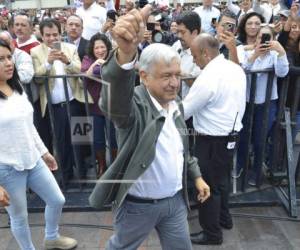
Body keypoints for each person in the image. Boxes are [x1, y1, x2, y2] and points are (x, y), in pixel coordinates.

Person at [89, 5, 210, 250]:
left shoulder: (176, 103)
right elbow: (113, 104)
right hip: (138, 207)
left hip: (175, 204)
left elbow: (181, 150)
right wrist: (124, 55)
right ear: (143, 76)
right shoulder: (133, 105)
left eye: (177, 74)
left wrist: (196, 177)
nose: (175, 83)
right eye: (166, 76)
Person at [0, 39, 77, 250]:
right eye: (1, 59)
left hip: (33, 160)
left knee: (57, 199)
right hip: (6, 169)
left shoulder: (17, 88)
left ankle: (51, 237)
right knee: (19, 216)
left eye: (9, 57)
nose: (8, 63)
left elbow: (28, 126)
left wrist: (44, 152)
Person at [184, 33, 247, 245]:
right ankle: (224, 219)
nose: (193, 60)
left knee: (207, 186)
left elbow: (185, 110)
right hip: (231, 136)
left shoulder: (208, 77)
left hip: (211, 140)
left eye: (194, 55)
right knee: (221, 182)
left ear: (205, 53)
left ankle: (212, 234)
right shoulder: (235, 68)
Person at [31, 18, 92, 184]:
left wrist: (68, 61)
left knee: (80, 139)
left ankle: (82, 173)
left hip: (75, 102)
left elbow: (80, 70)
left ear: (61, 33)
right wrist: (49, 63)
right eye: (48, 35)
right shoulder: (36, 52)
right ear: (42, 36)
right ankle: (66, 175)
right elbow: (36, 77)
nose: (52, 39)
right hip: (54, 107)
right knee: (61, 142)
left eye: (55, 35)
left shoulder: (71, 48)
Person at [236, 25, 289, 185]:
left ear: (273, 40)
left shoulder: (275, 54)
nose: (263, 41)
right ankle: (240, 166)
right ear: (256, 39)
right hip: (247, 103)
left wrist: (281, 52)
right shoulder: (246, 52)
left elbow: (282, 72)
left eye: (267, 37)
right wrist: (254, 55)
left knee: (260, 140)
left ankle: (256, 172)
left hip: (267, 104)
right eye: (260, 37)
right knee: (244, 137)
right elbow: (241, 70)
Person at [81, 33, 117, 178]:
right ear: (92, 49)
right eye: (97, 48)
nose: (100, 50)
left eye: (102, 47)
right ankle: (101, 165)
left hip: (112, 105)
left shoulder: (114, 57)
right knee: (97, 138)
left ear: (107, 47)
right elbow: (84, 75)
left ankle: (115, 165)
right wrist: (96, 64)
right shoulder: (87, 59)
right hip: (95, 106)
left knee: (114, 137)